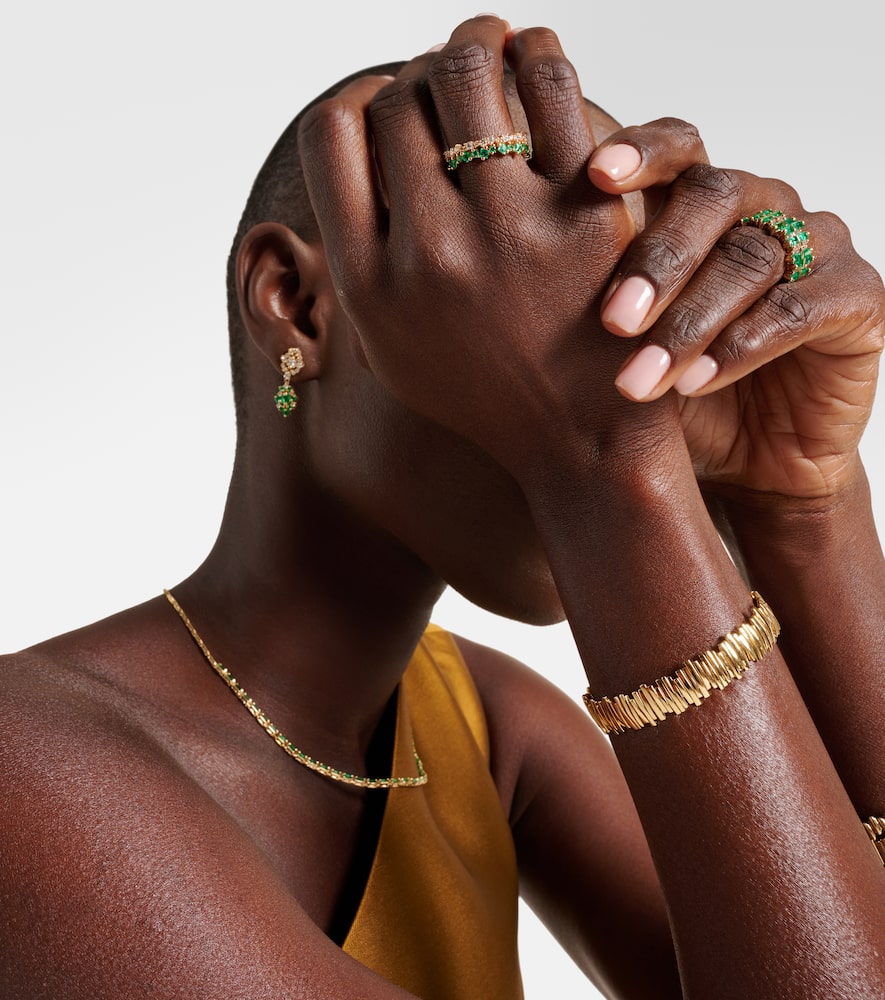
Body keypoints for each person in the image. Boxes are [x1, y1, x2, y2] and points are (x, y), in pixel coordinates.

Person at [2, 13, 883, 999]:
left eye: (644, 316)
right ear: (297, 304)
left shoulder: (490, 728)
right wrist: (600, 464)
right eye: (544, 298)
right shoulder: (26, 768)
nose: (636, 390)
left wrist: (804, 504)